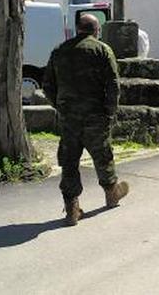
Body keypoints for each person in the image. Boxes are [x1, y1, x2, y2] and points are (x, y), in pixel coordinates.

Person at [43, 14, 129, 227]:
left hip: (68, 118)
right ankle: (112, 193)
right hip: (95, 115)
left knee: (69, 161)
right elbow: (113, 85)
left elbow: (47, 85)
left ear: (77, 29)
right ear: (96, 30)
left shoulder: (59, 51)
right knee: (103, 156)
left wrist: (60, 106)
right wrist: (110, 112)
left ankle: (72, 208)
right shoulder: (102, 50)